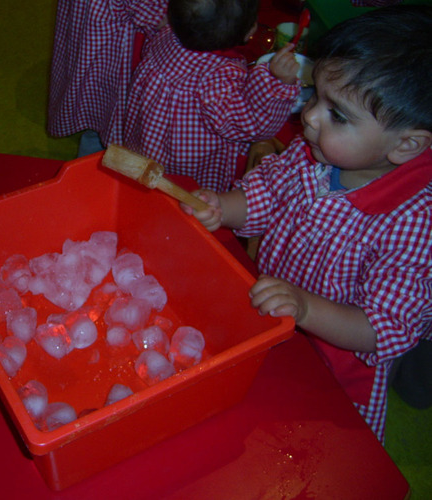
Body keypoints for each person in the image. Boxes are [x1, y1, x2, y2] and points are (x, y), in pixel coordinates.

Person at [182, 5, 432, 443]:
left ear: (407, 144)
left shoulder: (413, 223)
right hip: (281, 309)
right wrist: (222, 206)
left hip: (336, 359)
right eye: (315, 94)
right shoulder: (314, 154)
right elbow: (266, 194)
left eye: (338, 114)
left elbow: (381, 329)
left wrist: (306, 308)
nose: (310, 117)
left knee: (315, 437)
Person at [113, 0, 301, 191]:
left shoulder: (167, 35)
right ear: (250, 32)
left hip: (145, 141)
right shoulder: (219, 76)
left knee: (149, 185)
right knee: (181, 193)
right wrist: (277, 83)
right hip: (186, 166)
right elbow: (251, 125)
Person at [47, 0, 168, 157]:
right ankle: (93, 167)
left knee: (99, 116)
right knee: (105, 116)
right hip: (114, 40)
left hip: (100, 25)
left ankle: (91, 163)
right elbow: (156, 15)